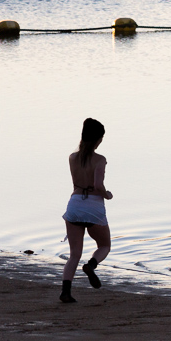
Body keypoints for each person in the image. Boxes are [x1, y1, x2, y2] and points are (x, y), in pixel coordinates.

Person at [60, 117, 112, 304]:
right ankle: (91, 265)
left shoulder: (72, 157)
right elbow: (98, 185)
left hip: (74, 204)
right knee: (104, 245)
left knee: (74, 254)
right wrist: (107, 195)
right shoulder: (100, 160)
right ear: (98, 139)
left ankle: (66, 291)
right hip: (93, 207)